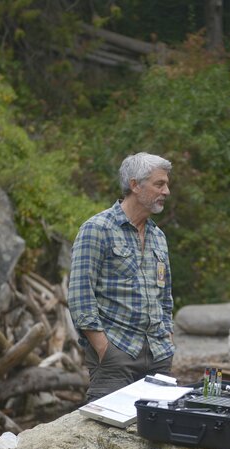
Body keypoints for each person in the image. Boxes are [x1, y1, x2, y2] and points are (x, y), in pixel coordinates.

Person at [68, 152, 175, 403]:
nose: (167, 191)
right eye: (159, 184)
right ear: (135, 185)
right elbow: (80, 296)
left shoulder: (158, 237)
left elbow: (165, 296)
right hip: (116, 356)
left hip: (159, 354)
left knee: (158, 435)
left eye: (167, 184)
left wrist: (168, 339)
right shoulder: (97, 229)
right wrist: (105, 349)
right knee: (106, 434)